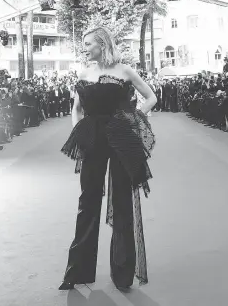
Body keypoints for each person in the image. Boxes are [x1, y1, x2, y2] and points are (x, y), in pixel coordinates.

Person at [59, 27, 157, 291]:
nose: (84, 48)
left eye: (88, 43)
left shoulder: (125, 71)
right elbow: (76, 110)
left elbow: (150, 97)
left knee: (123, 202)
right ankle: (76, 271)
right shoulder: (84, 74)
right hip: (93, 140)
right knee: (88, 200)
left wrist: (135, 117)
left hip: (121, 137)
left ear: (102, 44)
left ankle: (123, 274)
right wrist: (78, 132)